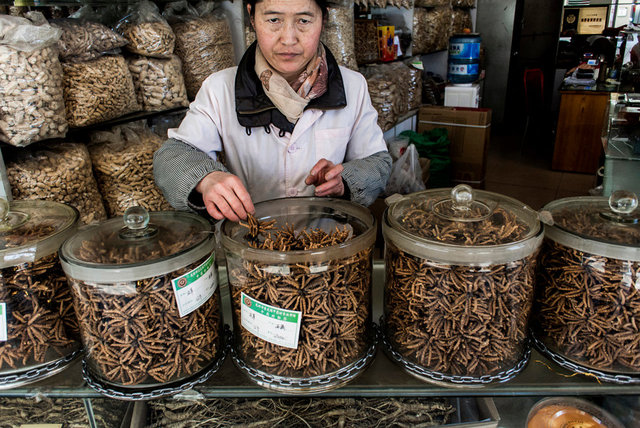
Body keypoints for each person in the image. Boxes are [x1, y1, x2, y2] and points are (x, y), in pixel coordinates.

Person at [153, 0, 392, 222]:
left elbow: (377, 162)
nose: (288, 39)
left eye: (304, 21)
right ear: (252, 17)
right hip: (250, 247)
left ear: (324, 19)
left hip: (327, 247)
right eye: (273, 20)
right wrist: (206, 178)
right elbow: (172, 155)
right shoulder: (219, 88)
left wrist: (345, 181)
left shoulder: (353, 85)